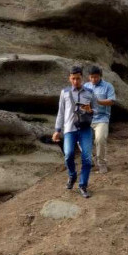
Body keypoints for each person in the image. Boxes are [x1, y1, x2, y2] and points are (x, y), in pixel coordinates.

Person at [52, 66, 97, 198]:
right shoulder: (64, 92)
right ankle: (72, 176)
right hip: (69, 129)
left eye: (78, 78)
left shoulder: (89, 92)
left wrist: (90, 110)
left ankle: (83, 185)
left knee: (87, 159)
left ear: (81, 78)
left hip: (85, 129)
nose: (75, 81)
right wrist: (57, 130)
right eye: (73, 79)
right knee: (68, 155)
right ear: (69, 78)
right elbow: (60, 112)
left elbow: (97, 111)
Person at [84, 66, 116, 174]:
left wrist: (98, 101)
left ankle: (102, 163)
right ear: (89, 77)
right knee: (78, 137)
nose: (94, 80)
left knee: (100, 139)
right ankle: (91, 158)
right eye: (92, 77)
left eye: (96, 77)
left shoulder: (108, 86)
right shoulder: (85, 86)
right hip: (87, 117)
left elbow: (112, 101)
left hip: (102, 117)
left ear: (100, 76)